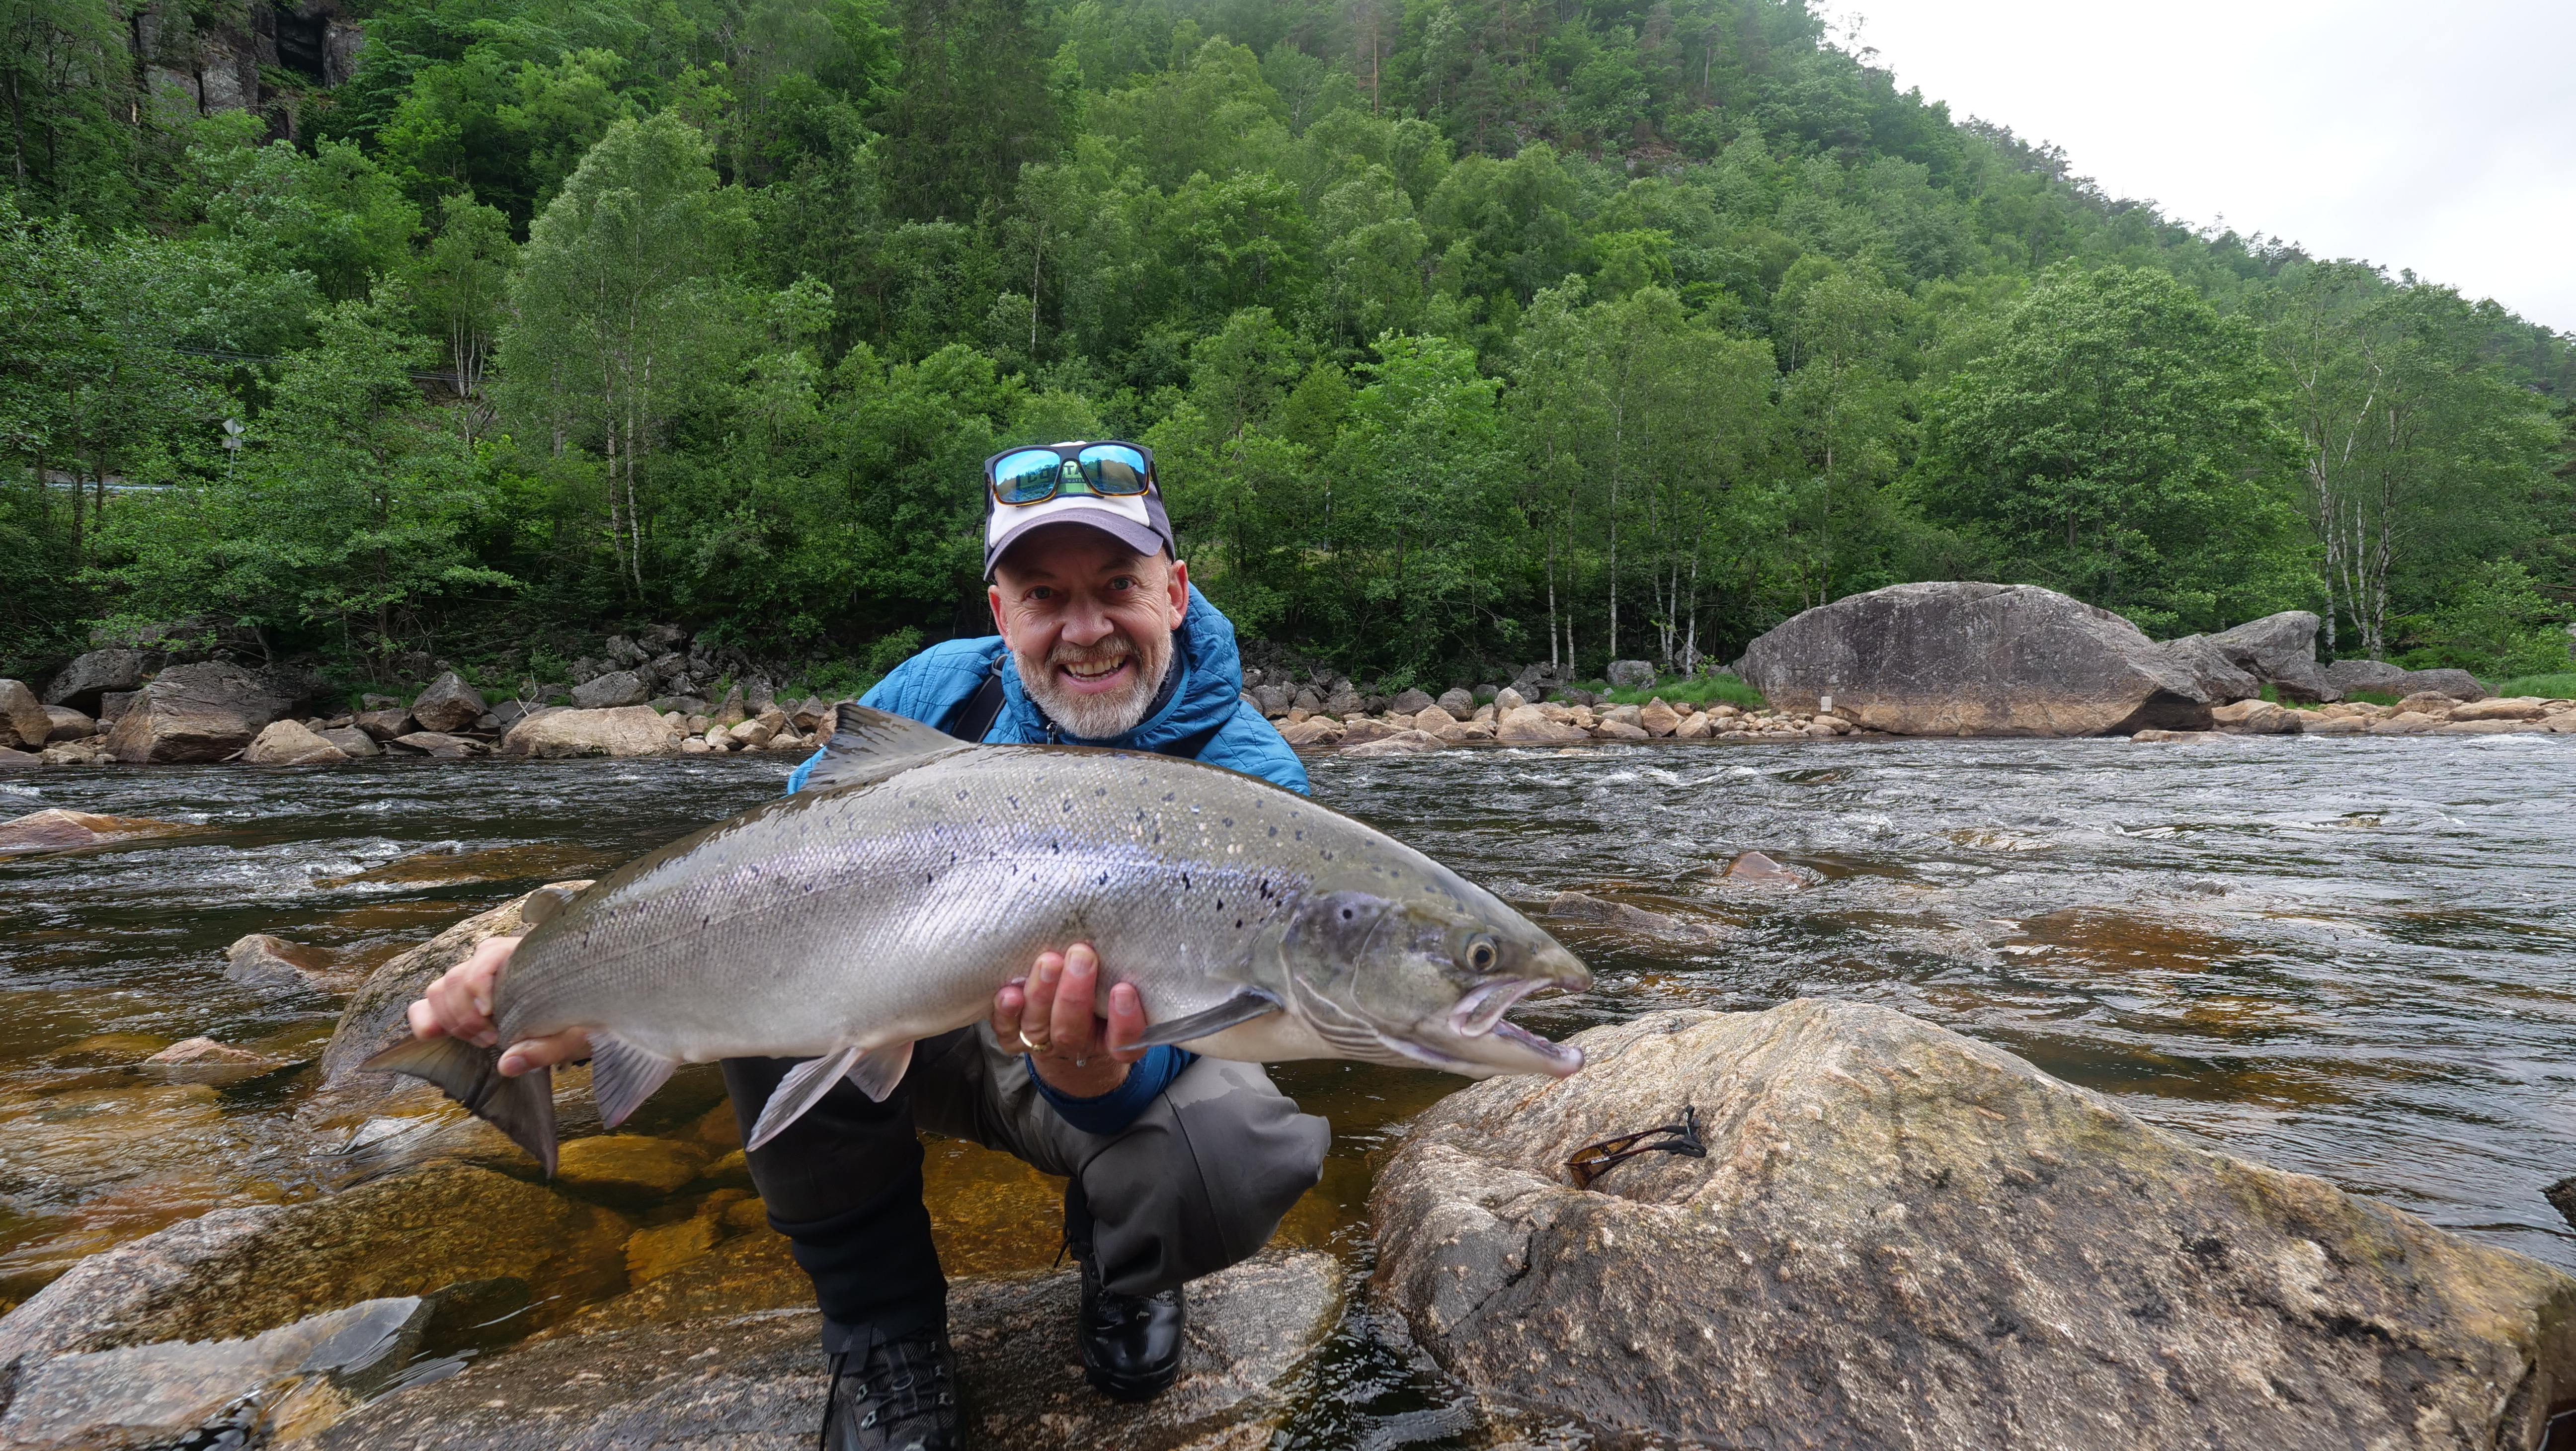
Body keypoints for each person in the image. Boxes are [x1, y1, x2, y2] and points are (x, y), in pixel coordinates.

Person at [401, 440, 1329, 1451]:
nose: (1086, 627)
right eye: (1044, 594)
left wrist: (1088, 1067)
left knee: (1234, 1144)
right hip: (916, 1026)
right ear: (999, 612)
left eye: (1118, 585)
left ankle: (1129, 1260)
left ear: (1178, 590)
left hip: (1089, 1060)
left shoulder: (1251, 787)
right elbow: (755, 872)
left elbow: (1198, 1040)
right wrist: (559, 957)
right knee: (784, 955)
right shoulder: (937, 693)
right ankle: (882, 1328)